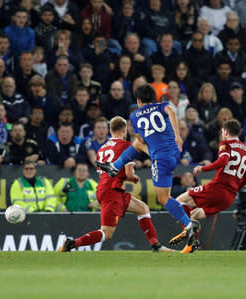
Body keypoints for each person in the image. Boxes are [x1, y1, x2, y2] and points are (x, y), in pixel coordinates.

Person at [59, 116, 173, 252]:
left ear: (110, 130)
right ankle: (72, 243)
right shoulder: (126, 146)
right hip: (112, 192)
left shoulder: (101, 149)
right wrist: (134, 178)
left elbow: (105, 171)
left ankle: (156, 245)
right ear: (124, 130)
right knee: (106, 233)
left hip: (109, 189)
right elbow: (129, 174)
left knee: (143, 209)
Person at [96, 84, 196, 239]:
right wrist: (177, 136)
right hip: (174, 152)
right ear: (154, 97)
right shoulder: (163, 105)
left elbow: (141, 138)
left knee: (164, 198)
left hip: (160, 159)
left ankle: (189, 225)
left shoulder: (135, 116)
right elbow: (170, 111)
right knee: (137, 144)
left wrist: (150, 140)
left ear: (138, 100)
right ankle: (115, 167)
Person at [170, 119, 246, 253]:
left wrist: (202, 169)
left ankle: (188, 229)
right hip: (230, 197)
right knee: (194, 214)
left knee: (179, 201)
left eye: (222, 131)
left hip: (218, 188)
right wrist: (234, 189)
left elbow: (223, 160)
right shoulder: (244, 150)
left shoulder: (226, 144)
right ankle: (190, 246)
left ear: (226, 132)